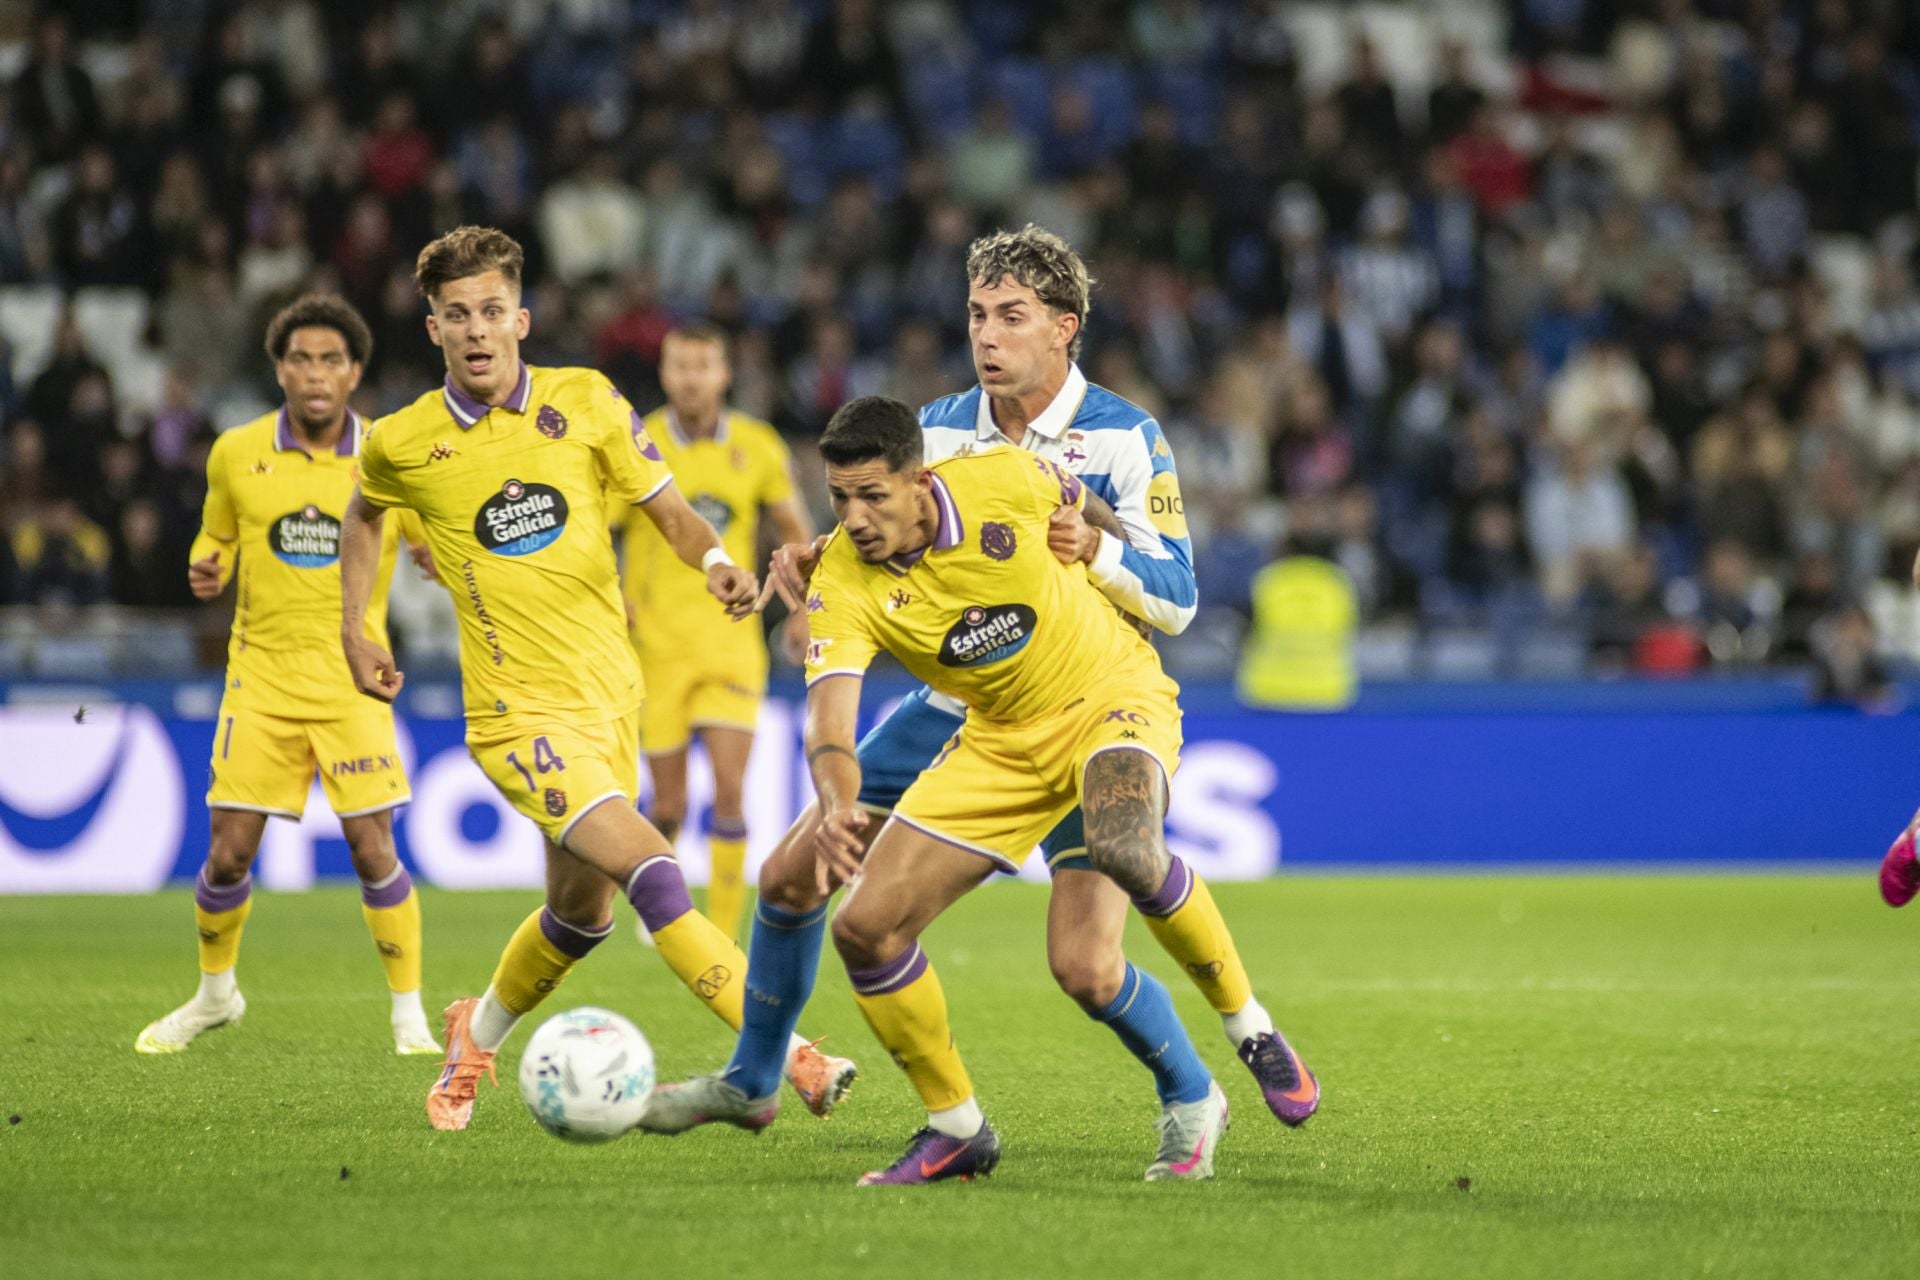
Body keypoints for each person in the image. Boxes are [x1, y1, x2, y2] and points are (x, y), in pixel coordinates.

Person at [645, 226, 1315, 1178]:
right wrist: (817, 552)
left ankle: (1201, 1080)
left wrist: (1098, 550)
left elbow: (1176, 597)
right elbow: (869, 515)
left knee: (1085, 965)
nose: (986, 337)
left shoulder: (1124, 436)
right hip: (961, 705)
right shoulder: (942, 429)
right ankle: (757, 1079)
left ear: (1063, 330)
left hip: (1090, 691)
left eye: (1010, 318)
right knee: (795, 875)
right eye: (975, 316)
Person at [337, 226, 853, 1130]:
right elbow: (363, 516)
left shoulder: (587, 403)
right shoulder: (402, 441)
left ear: (521, 319)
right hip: (513, 716)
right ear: (434, 330)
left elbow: (671, 512)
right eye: (456, 315)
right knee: (657, 869)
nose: (476, 330)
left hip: (612, 699)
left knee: (578, 919)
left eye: (492, 311)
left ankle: (474, 1034)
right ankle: (787, 1059)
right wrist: (356, 622)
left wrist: (718, 566)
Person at [136, 294, 439, 1057]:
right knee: (229, 853)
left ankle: (409, 1017)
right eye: (300, 358)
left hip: (353, 680)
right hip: (261, 681)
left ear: (355, 372)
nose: (315, 373)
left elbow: (433, 539)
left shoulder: (389, 452)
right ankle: (215, 995)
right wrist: (206, 565)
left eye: (331, 360)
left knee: (374, 850)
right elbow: (216, 537)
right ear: (279, 368)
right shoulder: (235, 451)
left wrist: (443, 558)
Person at [623, 323, 814, 944]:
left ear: (725, 373)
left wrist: (804, 606)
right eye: (681, 366)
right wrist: (614, 594)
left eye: (703, 366)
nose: (692, 378)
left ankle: (724, 936)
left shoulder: (758, 446)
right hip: (657, 647)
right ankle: (661, 904)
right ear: (664, 372)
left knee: (731, 792)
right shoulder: (638, 442)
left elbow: (793, 527)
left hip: (733, 640)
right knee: (669, 806)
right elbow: (595, 527)